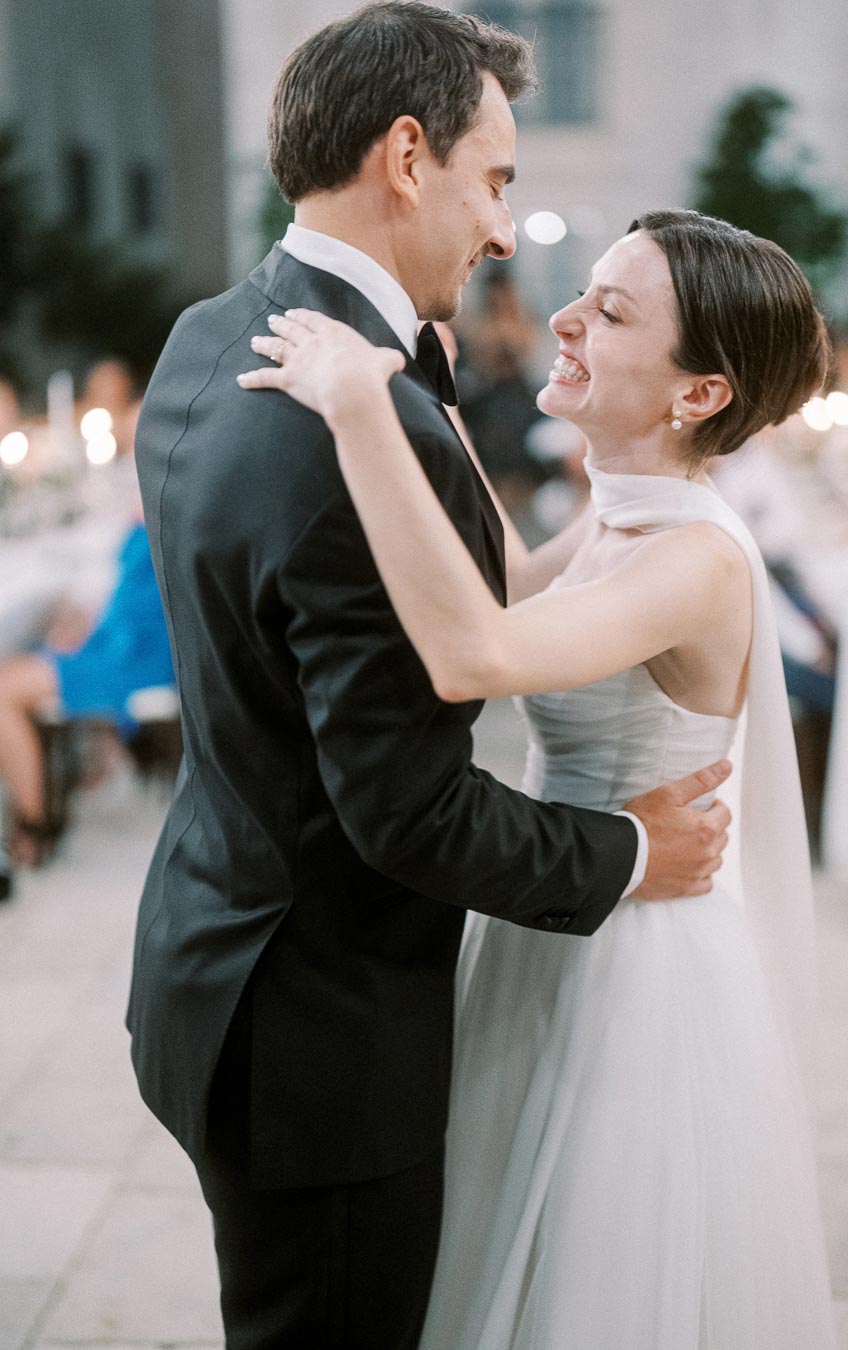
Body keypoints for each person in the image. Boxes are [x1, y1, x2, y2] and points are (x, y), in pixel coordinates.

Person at [126, 6, 732, 1348]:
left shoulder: (205, 336)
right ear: (408, 156)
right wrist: (632, 850)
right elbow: (405, 812)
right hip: (319, 1047)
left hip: (212, 950)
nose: (509, 231)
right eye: (496, 179)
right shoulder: (349, 425)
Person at [239, 208, 838, 1346]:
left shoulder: (699, 558)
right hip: (561, 908)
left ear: (698, 393)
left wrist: (360, 408)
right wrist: (425, 387)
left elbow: (480, 650)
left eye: (610, 312)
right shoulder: (623, 511)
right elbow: (512, 582)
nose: (564, 316)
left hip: (636, 962)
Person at [0, 519, 174, 874]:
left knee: (4, 689)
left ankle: (34, 826)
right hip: (118, 646)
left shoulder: (168, 510)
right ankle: (33, 816)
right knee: (10, 679)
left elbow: (146, 610)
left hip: (134, 657)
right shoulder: (157, 508)